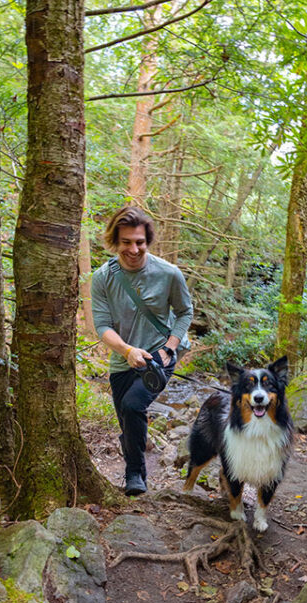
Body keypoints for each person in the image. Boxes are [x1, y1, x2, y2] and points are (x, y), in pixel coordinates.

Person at [91, 205, 193, 496]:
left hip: (161, 356)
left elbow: (185, 312)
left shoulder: (168, 273)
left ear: (147, 241)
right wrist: (126, 351)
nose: (133, 249)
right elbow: (101, 325)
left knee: (134, 405)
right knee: (127, 419)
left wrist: (170, 348)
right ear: (115, 241)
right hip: (124, 358)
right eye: (126, 242)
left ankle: (134, 473)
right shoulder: (103, 277)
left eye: (140, 242)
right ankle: (137, 464)